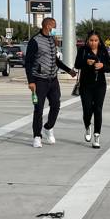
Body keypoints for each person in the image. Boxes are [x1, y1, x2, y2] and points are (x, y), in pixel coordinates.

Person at [25, 17, 77, 148]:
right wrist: (31, 81)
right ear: (47, 26)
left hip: (53, 80)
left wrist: (68, 70)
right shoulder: (35, 41)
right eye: (53, 27)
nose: (55, 30)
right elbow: (28, 62)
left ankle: (48, 127)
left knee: (56, 105)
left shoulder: (52, 40)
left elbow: (56, 61)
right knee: (39, 109)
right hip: (39, 80)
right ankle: (37, 136)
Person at [74, 31, 110, 148]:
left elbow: (109, 68)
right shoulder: (83, 50)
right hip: (86, 85)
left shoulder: (103, 51)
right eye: (91, 40)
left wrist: (102, 66)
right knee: (87, 109)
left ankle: (97, 136)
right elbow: (77, 65)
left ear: (99, 41)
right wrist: (86, 62)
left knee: (98, 109)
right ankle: (87, 126)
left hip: (100, 85)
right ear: (87, 40)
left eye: (95, 40)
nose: (93, 43)